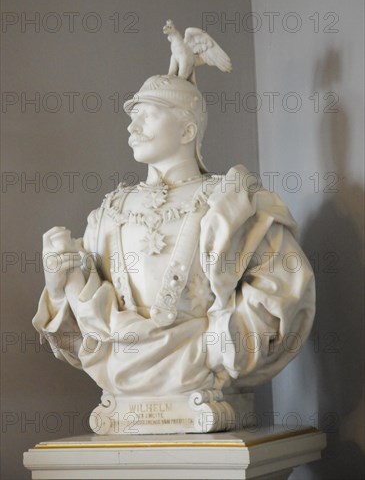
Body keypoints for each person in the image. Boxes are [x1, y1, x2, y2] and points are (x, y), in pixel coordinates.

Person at [33, 74, 315, 434]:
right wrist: (59, 287)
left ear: (186, 130)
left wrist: (217, 347)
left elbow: (283, 288)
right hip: (122, 373)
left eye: (148, 115)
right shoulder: (108, 212)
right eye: (132, 117)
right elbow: (82, 331)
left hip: (207, 366)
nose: (133, 127)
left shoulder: (235, 203)